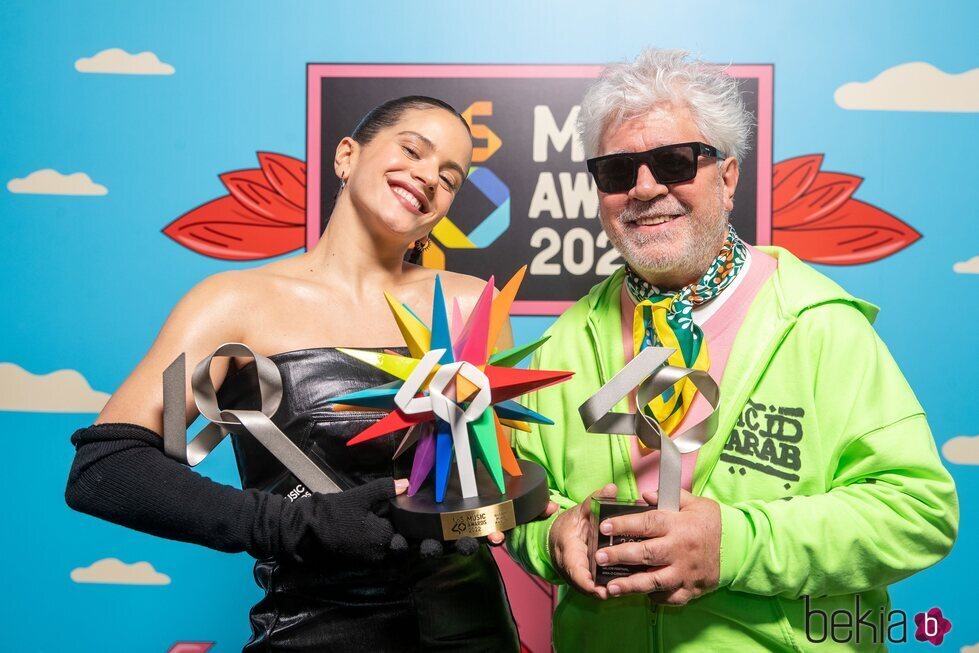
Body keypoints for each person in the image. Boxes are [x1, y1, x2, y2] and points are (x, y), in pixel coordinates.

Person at [506, 49, 958, 652]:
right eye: (617, 171)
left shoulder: (818, 326)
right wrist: (551, 537)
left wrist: (735, 545)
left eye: (673, 162)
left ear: (728, 177)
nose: (644, 188)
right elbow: (522, 501)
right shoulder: (563, 341)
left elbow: (919, 512)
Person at [66, 95, 521, 652]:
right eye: (412, 150)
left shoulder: (474, 306)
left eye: (450, 178)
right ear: (347, 156)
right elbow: (107, 467)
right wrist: (292, 524)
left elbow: (492, 473)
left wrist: (492, 511)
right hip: (315, 628)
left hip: (470, 627)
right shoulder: (233, 306)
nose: (428, 177)